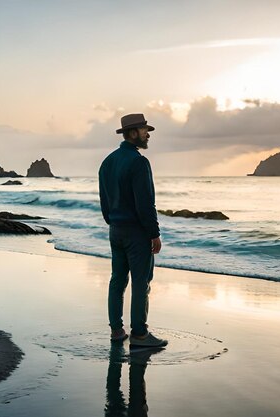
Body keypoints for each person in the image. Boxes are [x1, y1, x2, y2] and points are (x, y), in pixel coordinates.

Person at [98, 113, 168, 348]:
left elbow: (104, 202)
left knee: (117, 280)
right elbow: (145, 203)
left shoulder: (107, 162)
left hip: (115, 229)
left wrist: (113, 221)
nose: (147, 134)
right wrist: (154, 233)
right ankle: (139, 335)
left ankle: (116, 331)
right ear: (132, 133)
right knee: (141, 282)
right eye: (144, 130)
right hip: (136, 232)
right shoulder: (138, 162)